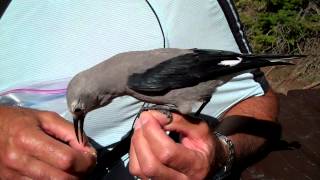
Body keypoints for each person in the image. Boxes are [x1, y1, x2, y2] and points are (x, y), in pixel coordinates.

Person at [0, 1, 279, 179]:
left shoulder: (136, 80)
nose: (79, 117)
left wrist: (218, 151)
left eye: (79, 112)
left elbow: (252, 97)